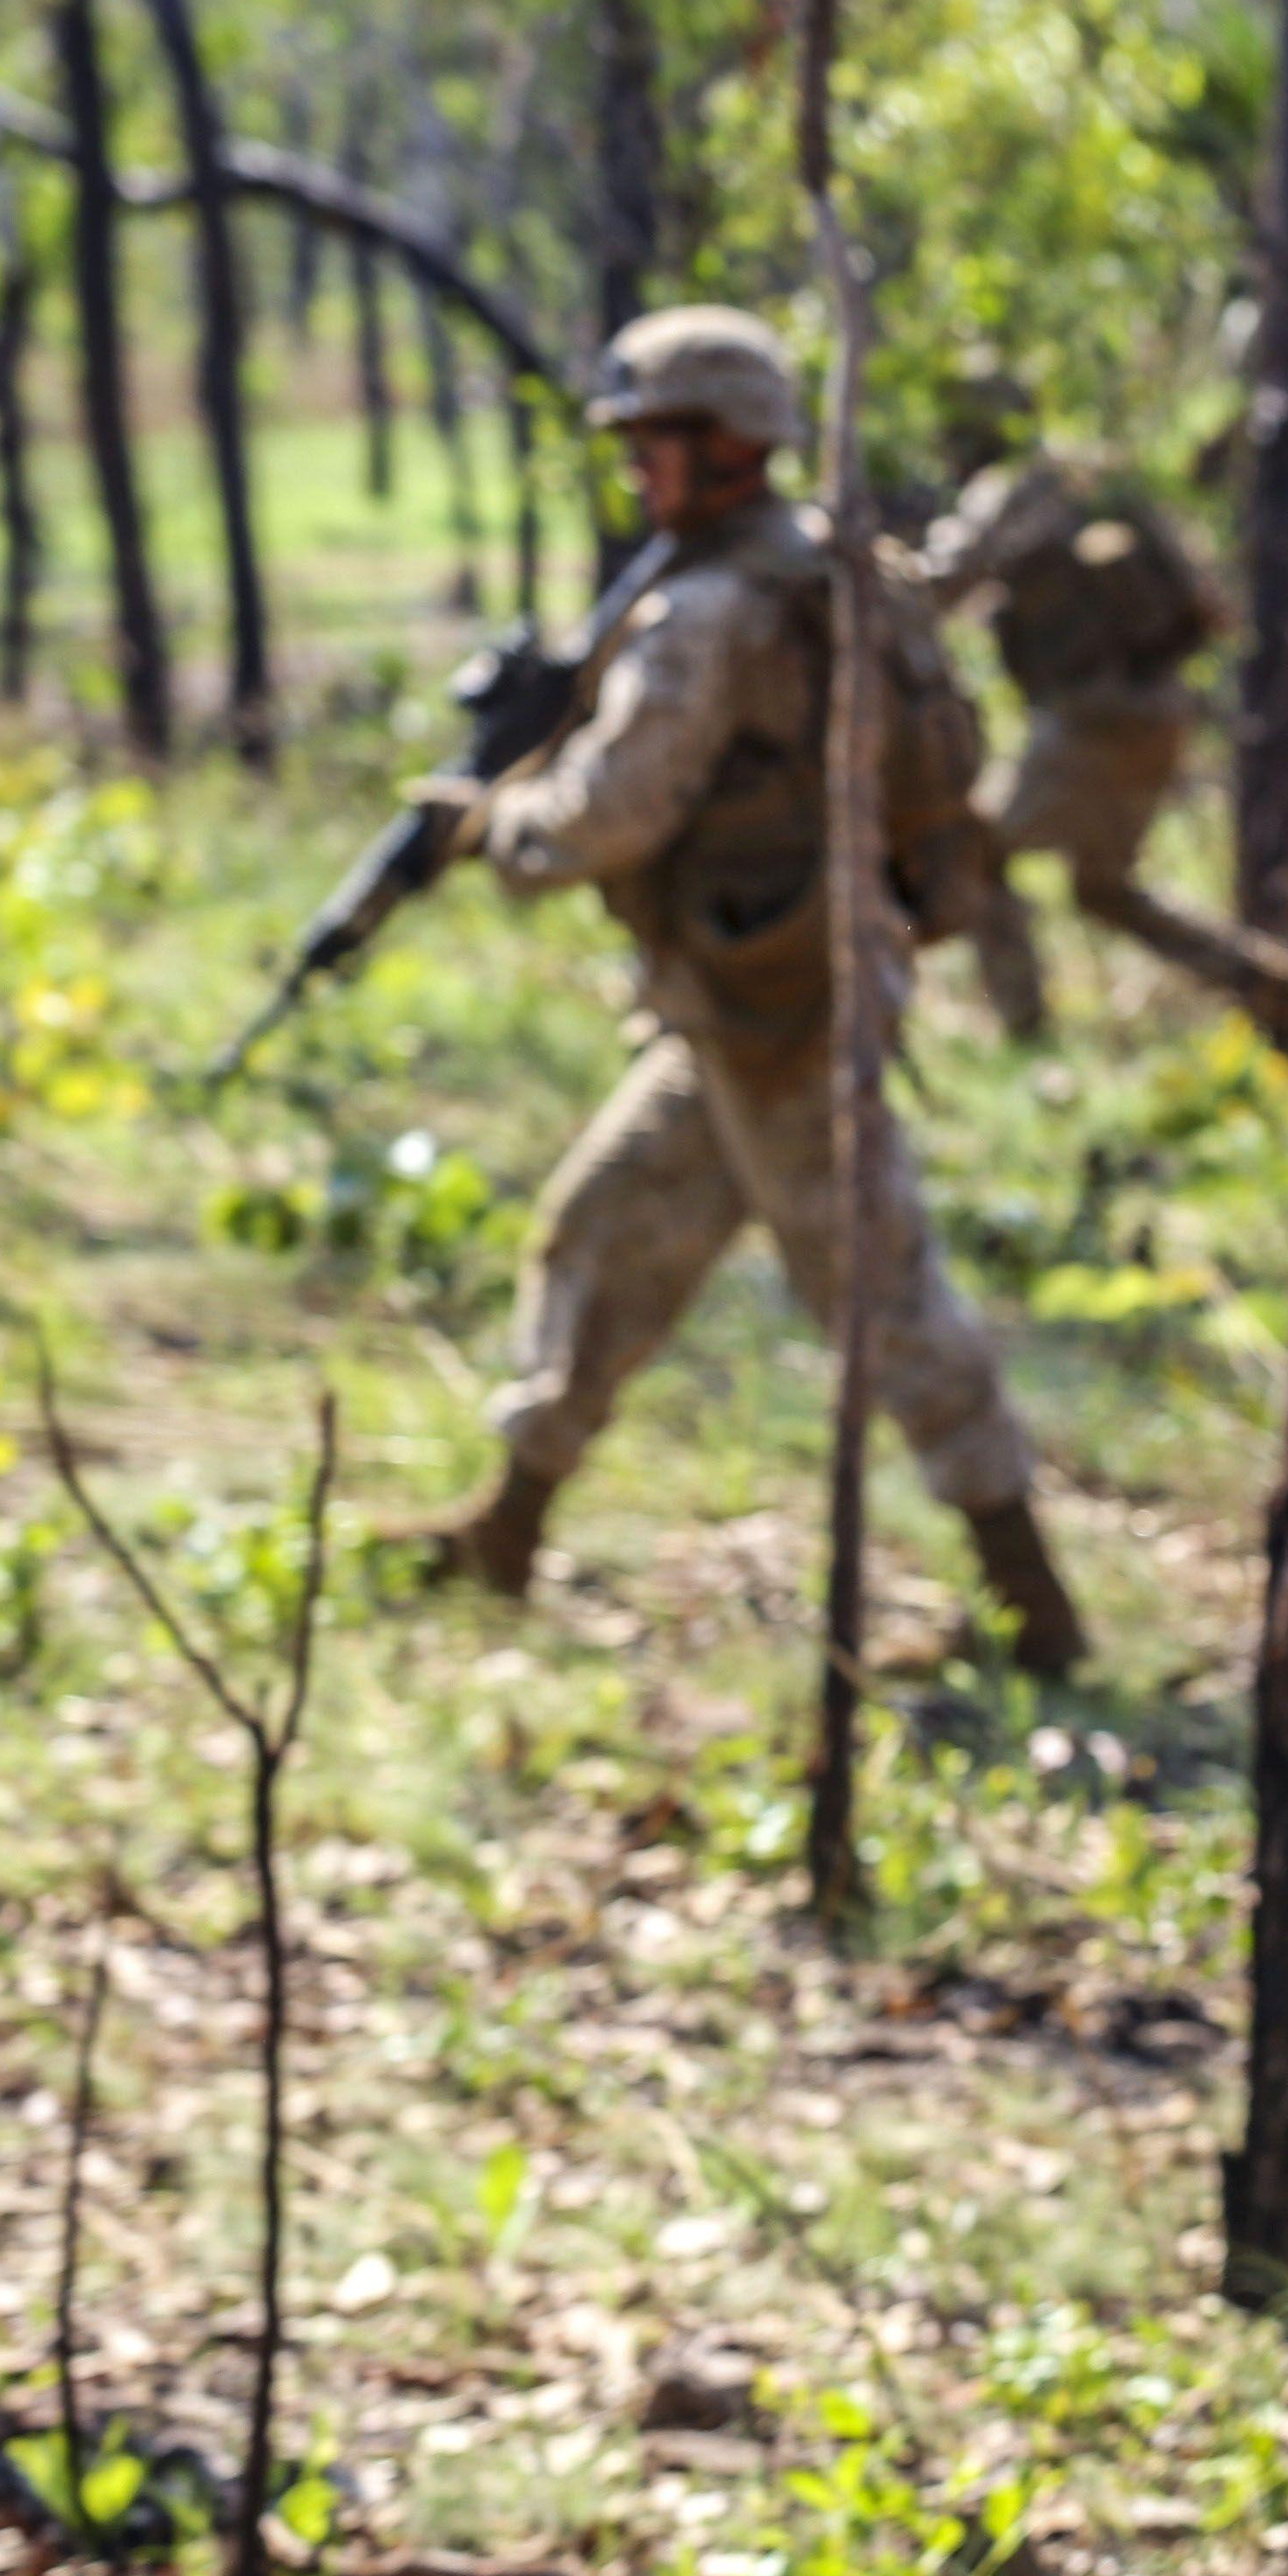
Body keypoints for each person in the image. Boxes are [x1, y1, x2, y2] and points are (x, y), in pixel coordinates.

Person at [416, 307, 1089, 1674]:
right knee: (604, 1232)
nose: (635, 475)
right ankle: (509, 1524)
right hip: (747, 1001)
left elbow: (613, 812)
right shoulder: (827, 567)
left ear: (723, 450)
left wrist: (493, 826)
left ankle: (1034, 1606)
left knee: (887, 1295)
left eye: (651, 445)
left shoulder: (713, 610)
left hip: (785, 1012)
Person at [912, 372, 1288, 1045]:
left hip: (1088, 723)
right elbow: (1214, 606)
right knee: (1105, 891)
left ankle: (1026, 1033)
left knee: (972, 852)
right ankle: (1287, 991)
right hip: (1160, 713)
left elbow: (937, 587)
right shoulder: (1097, 478)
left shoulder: (1007, 492)